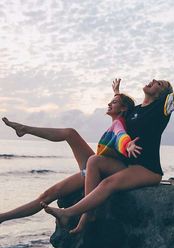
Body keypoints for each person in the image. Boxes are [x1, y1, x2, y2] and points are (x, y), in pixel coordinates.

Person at [38, 60, 174, 233]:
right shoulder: (134, 111)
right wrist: (116, 93)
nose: (154, 81)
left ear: (162, 94)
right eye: (155, 79)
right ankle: (88, 214)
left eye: (159, 84)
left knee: (108, 184)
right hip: (128, 166)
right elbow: (120, 107)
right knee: (94, 161)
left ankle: (71, 213)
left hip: (148, 169)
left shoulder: (163, 107)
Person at [0, 93, 141, 231]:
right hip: (96, 167)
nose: (109, 104)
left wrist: (128, 145)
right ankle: (3, 217)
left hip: (109, 169)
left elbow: (121, 136)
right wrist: (116, 92)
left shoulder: (118, 124)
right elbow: (122, 108)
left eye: (114, 102)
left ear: (123, 108)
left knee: (89, 155)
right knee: (48, 194)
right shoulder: (117, 121)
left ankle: (88, 213)